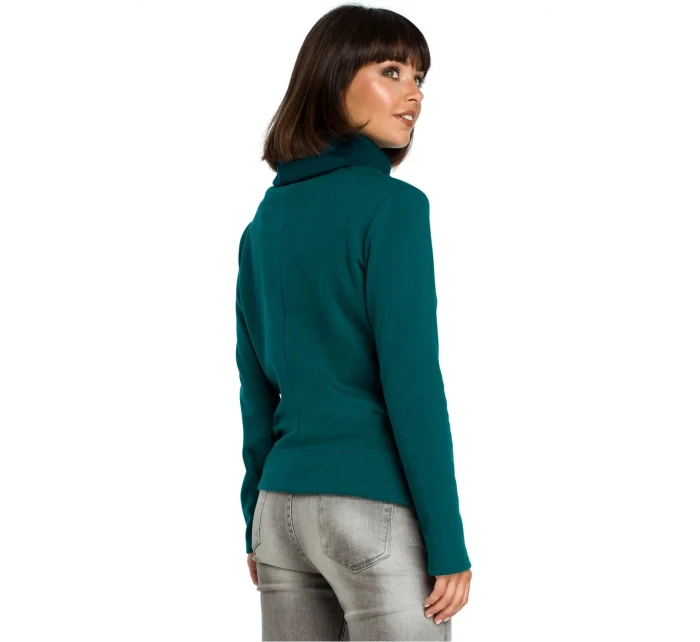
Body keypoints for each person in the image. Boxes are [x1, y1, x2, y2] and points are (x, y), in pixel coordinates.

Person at [236, 4, 473, 640]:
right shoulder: (393, 207)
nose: (413, 94)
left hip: (279, 513)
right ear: (332, 78)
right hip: (370, 508)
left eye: (419, 78)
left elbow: (255, 389)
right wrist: (447, 539)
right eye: (391, 71)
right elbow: (411, 380)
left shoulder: (262, 225)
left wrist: (253, 517)